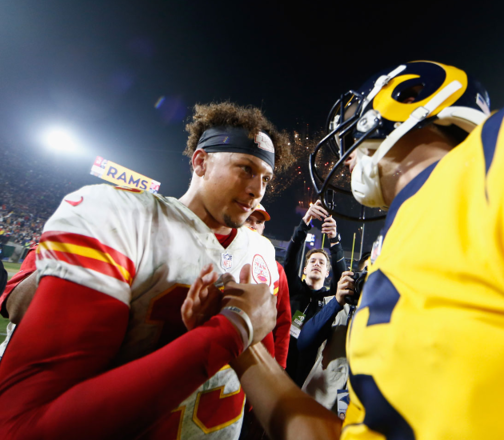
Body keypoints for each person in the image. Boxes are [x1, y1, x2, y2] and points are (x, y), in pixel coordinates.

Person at [225, 52, 504, 440]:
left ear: (405, 98)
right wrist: (242, 342)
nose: (346, 154)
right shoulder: (396, 248)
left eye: (353, 129)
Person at [0, 101, 294, 440]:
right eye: (246, 168)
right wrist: (70, 271)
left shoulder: (263, 253)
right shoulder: (123, 218)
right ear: (200, 161)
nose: (258, 190)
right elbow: (26, 418)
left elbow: (268, 357)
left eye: (266, 178)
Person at [296, 254, 370, 415]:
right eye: (365, 273)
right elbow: (304, 342)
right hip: (322, 399)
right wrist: (337, 302)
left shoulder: (392, 313)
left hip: (363, 405)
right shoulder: (336, 304)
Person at [283, 200, 347, 386]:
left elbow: (342, 277)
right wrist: (305, 222)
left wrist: (334, 240)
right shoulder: (294, 288)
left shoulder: (329, 299)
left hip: (310, 371)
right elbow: (290, 257)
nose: (317, 264)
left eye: (322, 263)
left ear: (327, 273)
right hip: (282, 363)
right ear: (304, 269)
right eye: (312, 261)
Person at [243, 203, 291, 368]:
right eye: (249, 219)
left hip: (261, 358)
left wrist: (280, 363)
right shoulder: (222, 250)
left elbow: (283, 320)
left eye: (259, 221)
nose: (253, 225)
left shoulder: (275, 267)